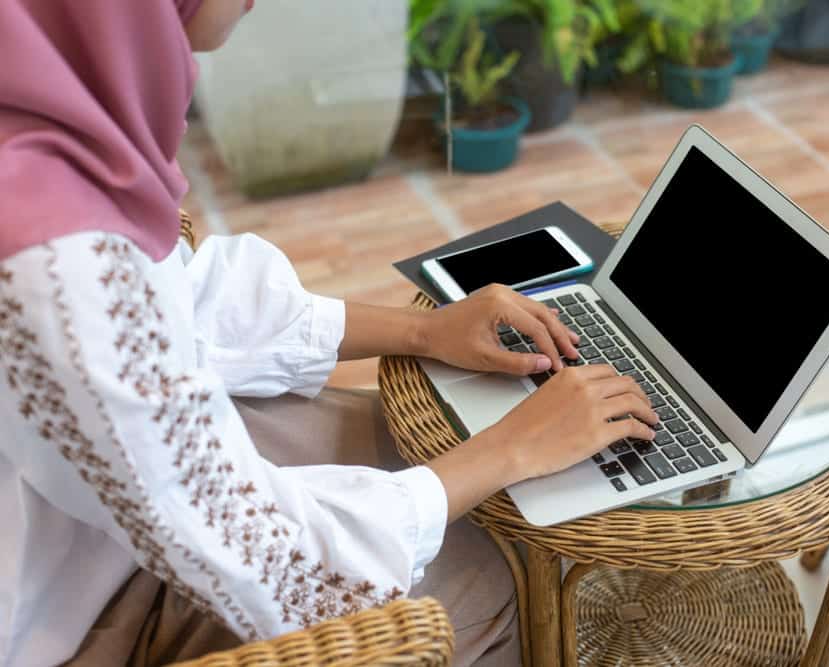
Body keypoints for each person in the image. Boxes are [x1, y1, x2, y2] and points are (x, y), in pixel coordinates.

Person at [0, 2, 657, 666]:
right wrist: (511, 449)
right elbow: (269, 557)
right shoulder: (55, 261)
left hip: (104, 529)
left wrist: (426, 331)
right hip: (81, 611)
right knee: (490, 574)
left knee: (408, 456)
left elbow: (187, 303)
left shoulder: (49, 131)